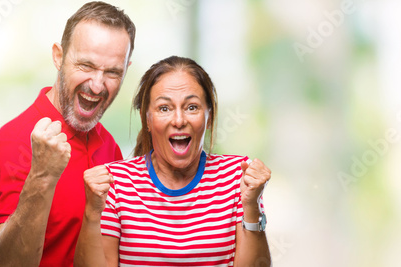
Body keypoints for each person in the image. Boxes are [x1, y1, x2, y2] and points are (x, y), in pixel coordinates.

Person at [0, 2, 136, 266]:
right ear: (58, 57)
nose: (97, 85)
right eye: (86, 65)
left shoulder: (109, 146)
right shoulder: (11, 143)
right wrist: (42, 176)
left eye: (112, 72)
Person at [75, 56, 272, 266]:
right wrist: (92, 214)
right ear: (147, 119)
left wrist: (251, 208)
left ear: (209, 118)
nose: (179, 121)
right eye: (164, 108)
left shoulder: (236, 178)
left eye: (192, 107)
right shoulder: (116, 183)